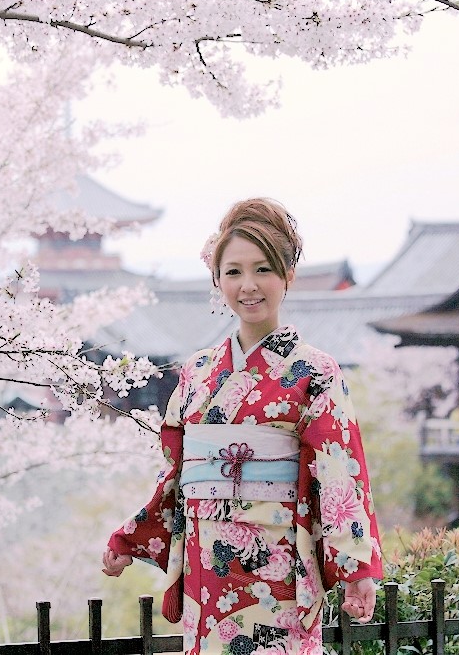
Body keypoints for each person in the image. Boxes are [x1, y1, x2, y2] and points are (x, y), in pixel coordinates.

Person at [101, 199, 383, 654]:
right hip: (207, 562)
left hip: (279, 562)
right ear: (217, 280)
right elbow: (177, 473)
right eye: (233, 272)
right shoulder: (196, 372)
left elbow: (340, 475)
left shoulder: (316, 371)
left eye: (263, 270)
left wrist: (356, 568)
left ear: (288, 275)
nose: (248, 286)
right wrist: (132, 537)